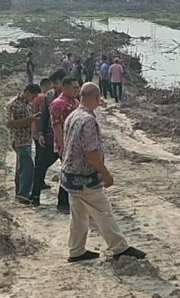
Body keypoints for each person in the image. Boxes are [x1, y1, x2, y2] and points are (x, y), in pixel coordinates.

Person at [61, 82, 146, 263]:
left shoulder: (72, 115)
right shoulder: (88, 120)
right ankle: (119, 248)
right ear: (96, 98)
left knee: (78, 216)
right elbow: (91, 153)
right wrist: (105, 174)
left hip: (69, 175)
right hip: (84, 177)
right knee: (103, 211)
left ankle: (76, 250)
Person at [31, 70, 72, 213]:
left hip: (67, 141)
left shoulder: (72, 98)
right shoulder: (49, 97)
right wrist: (41, 133)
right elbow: (44, 116)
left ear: (63, 82)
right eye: (52, 84)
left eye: (56, 83)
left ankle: (63, 203)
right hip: (49, 139)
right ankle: (34, 196)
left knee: (66, 171)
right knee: (40, 167)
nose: (53, 86)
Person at [6, 83, 42, 204]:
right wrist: (29, 120)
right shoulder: (13, 104)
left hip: (27, 139)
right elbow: (9, 124)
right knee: (28, 167)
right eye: (33, 96)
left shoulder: (27, 104)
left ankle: (20, 193)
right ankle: (24, 194)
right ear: (27, 92)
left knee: (21, 167)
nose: (33, 99)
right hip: (19, 140)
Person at [30, 78, 52, 191]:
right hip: (40, 132)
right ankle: (38, 182)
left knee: (39, 160)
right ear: (47, 85)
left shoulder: (36, 98)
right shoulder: (43, 98)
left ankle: (38, 182)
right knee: (41, 160)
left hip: (36, 130)